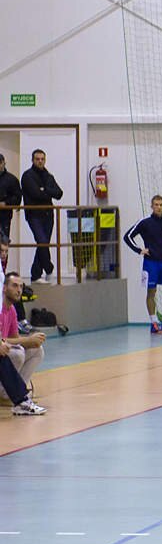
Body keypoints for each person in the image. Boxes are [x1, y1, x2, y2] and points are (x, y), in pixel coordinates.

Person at [123, 195, 162, 333]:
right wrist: (139, 250)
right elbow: (127, 236)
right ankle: (154, 323)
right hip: (150, 263)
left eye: (161, 205)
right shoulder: (145, 222)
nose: (158, 207)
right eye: (156, 204)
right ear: (152, 206)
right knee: (151, 291)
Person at [1, 272, 46, 415]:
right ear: (4, 288)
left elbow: (14, 338)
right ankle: (8, 394)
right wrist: (26, 340)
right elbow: (3, 340)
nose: (19, 290)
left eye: (21, 286)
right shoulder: (0, 308)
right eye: (14, 286)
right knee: (17, 353)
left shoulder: (12, 310)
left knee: (37, 351)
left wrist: (32, 341)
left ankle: (16, 393)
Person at [20, 149, 63, 283]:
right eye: (37, 159)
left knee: (43, 244)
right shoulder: (27, 176)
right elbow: (35, 194)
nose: (40, 161)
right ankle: (49, 268)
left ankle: (36, 275)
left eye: (42, 159)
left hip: (48, 215)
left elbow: (59, 193)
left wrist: (45, 189)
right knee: (42, 242)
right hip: (34, 215)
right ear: (32, 160)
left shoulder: (48, 176)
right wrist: (47, 192)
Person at [0, 153, 21, 242]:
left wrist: (6, 203)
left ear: (4, 163)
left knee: (3, 242)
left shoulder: (12, 179)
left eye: (0, 162)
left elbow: (17, 197)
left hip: (4, 215)